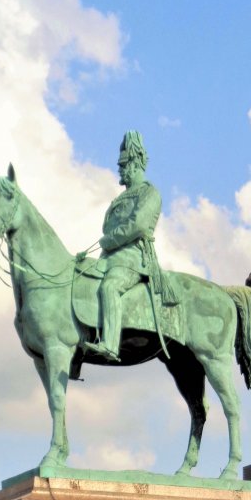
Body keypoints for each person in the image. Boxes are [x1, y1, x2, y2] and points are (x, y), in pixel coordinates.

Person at [79, 130, 163, 362]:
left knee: (110, 288)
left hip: (132, 260)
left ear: (135, 164)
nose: (120, 169)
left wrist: (109, 240)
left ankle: (110, 345)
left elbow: (137, 225)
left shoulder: (149, 193)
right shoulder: (118, 200)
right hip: (108, 258)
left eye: (123, 164)